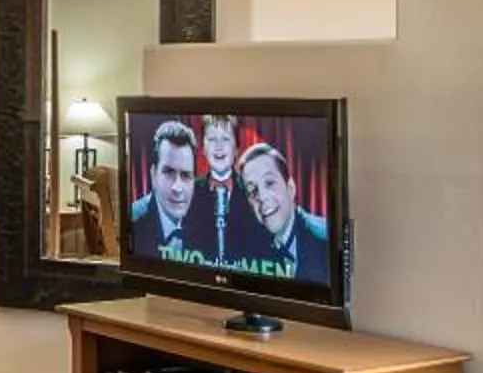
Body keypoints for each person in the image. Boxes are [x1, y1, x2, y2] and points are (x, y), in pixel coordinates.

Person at [236, 141, 332, 285]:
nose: (262, 197)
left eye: (269, 183)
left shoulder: (325, 240)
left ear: (290, 188)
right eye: (252, 190)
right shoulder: (250, 245)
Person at [128, 120, 215, 262]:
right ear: (153, 175)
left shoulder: (207, 218)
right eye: (169, 172)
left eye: (186, 175)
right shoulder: (133, 222)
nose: (178, 188)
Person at [196, 114, 249, 263]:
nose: (218, 146)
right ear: (203, 149)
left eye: (225, 139)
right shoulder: (190, 192)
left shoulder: (252, 192)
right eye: (212, 139)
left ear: (237, 148)